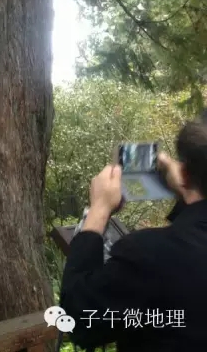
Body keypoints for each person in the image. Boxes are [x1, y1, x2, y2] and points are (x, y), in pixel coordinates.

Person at [60, 118, 207, 351]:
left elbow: (80, 318)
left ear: (186, 173)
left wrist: (99, 209)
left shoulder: (151, 253)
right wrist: (186, 189)